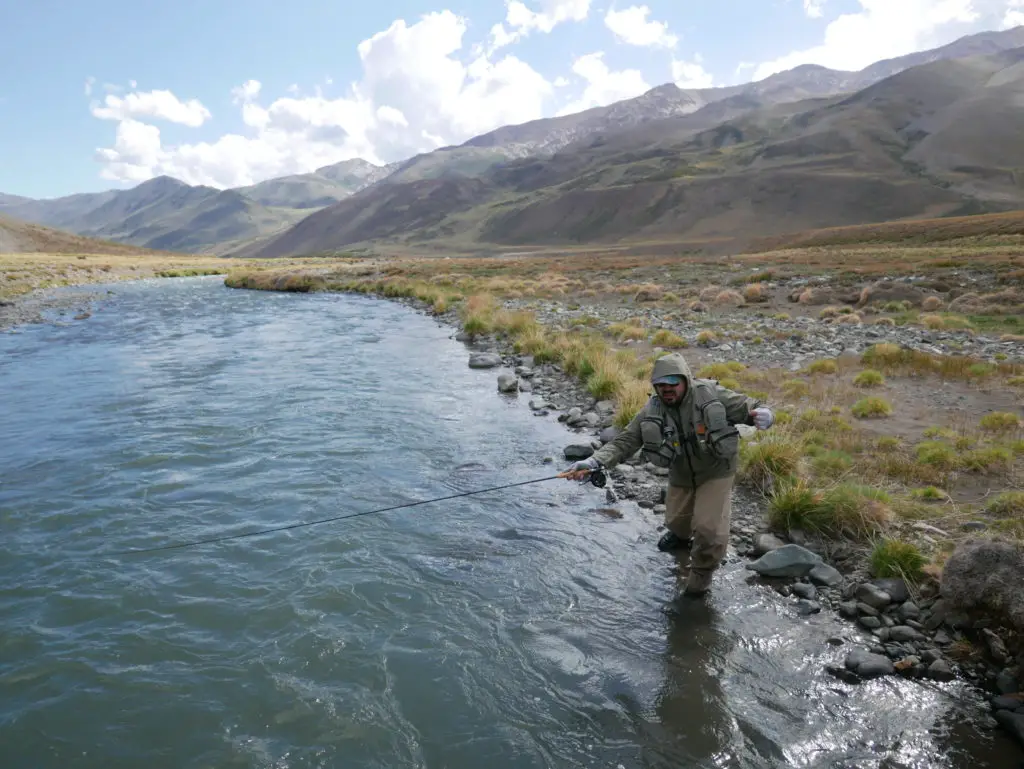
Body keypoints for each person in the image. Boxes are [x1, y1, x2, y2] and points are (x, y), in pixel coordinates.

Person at [565, 352, 775, 596]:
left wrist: (765, 415)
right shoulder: (652, 409)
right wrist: (593, 461)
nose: (667, 389)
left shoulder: (711, 394)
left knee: (709, 532)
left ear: (685, 379)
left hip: (716, 471)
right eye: (661, 385)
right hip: (681, 474)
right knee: (677, 522)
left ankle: (700, 580)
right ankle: (681, 538)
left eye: (672, 383)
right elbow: (625, 442)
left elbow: (750, 407)